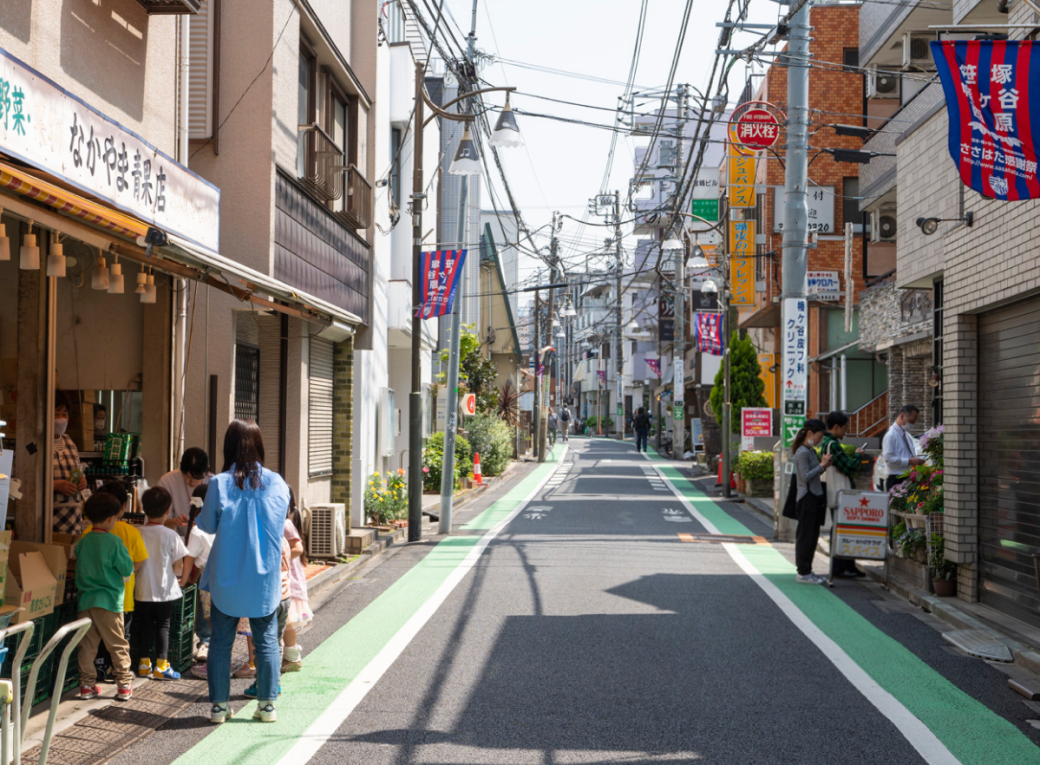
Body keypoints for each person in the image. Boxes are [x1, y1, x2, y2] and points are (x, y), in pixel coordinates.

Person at [197, 419, 290, 725]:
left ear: (229, 446)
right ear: (259, 445)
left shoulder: (219, 483)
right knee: (266, 640)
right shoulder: (278, 482)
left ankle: (219, 708)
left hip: (226, 574)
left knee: (221, 641)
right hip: (264, 576)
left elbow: (207, 526)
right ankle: (267, 706)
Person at [75, 493, 135, 702]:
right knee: (117, 644)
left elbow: (76, 561)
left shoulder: (84, 540)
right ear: (112, 518)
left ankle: (86, 685)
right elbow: (127, 568)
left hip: (85, 601)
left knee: (87, 646)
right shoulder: (114, 542)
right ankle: (124, 685)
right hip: (109, 601)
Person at [87, 482, 149, 682]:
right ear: (123, 507)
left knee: (93, 640)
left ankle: (98, 669)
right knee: (121, 638)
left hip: (89, 598)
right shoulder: (131, 532)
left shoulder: (87, 533)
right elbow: (137, 562)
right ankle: (119, 673)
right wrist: (126, 574)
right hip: (121, 598)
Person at [135, 487, 189, 681]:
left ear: (144, 509)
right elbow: (178, 566)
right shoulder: (170, 535)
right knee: (163, 626)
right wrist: (176, 577)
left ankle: (143, 664)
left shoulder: (137, 533)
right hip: (165, 590)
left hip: (141, 589)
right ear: (168, 510)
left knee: (144, 625)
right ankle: (161, 666)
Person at [822, 412, 865, 579]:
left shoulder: (827, 442)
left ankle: (845, 565)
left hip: (835, 491)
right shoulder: (832, 444)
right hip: (839, 492)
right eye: (845, 427)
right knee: (843, 528)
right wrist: (857, 456)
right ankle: (841, 566)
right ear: (836, 427)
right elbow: (848, 467)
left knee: (843, 527)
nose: (846, 431)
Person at [792, 419, 833, 584]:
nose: (820, 440)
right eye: (820, 435)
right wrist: (822, 466)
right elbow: (805, 476)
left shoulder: (810, 451)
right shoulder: (802, 452)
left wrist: (822, 464)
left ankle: (808, 570)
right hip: (806, 498)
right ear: (810, 433)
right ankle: (803, 572)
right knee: (806, 536)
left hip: (814, 498)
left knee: (812, 536)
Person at [180, 484, 215, 663]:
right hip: (226, 573)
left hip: (207, 576)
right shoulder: (223, 521)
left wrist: (183, 581)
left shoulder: (197, 529)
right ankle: (217, 643)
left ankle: (206, 643)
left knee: (205, 612)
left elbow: (189, 559)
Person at [281, 488, 311, 673]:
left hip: (288, 579)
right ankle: (290, 656)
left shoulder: (285, 524)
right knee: (285, 622)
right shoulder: (284, 522)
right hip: (286, 577)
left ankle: (292, 658)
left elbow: (298, 548)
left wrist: (281, 560)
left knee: (287, 622)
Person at [53, 392, 88, 535]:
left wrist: (82, 481)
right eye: (56, 413)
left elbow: (77, 470)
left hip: (73, 519)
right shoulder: (35, 444)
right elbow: (22, 481)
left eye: (64, 414)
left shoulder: (69, 441)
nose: (61, 419)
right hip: (48, 519)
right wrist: (54, 485)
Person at [158, 448, 210, 533]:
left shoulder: (212, 482)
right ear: (181, 466)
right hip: (176, 540)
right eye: (188, 476)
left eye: (198, 478)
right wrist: (174, 522)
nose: (193, 481)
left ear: (207, 470)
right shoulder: (167, 481)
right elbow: (158, 521)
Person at [882, 405, 924, 492]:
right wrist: (910, 461)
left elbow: (911, 454)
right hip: (896, 479)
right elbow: (888, 459)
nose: (913, 424)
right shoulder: (891, 435)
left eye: (914, 421)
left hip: (907, 477)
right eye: (911, 420)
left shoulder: (907, 435)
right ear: (902, 416)